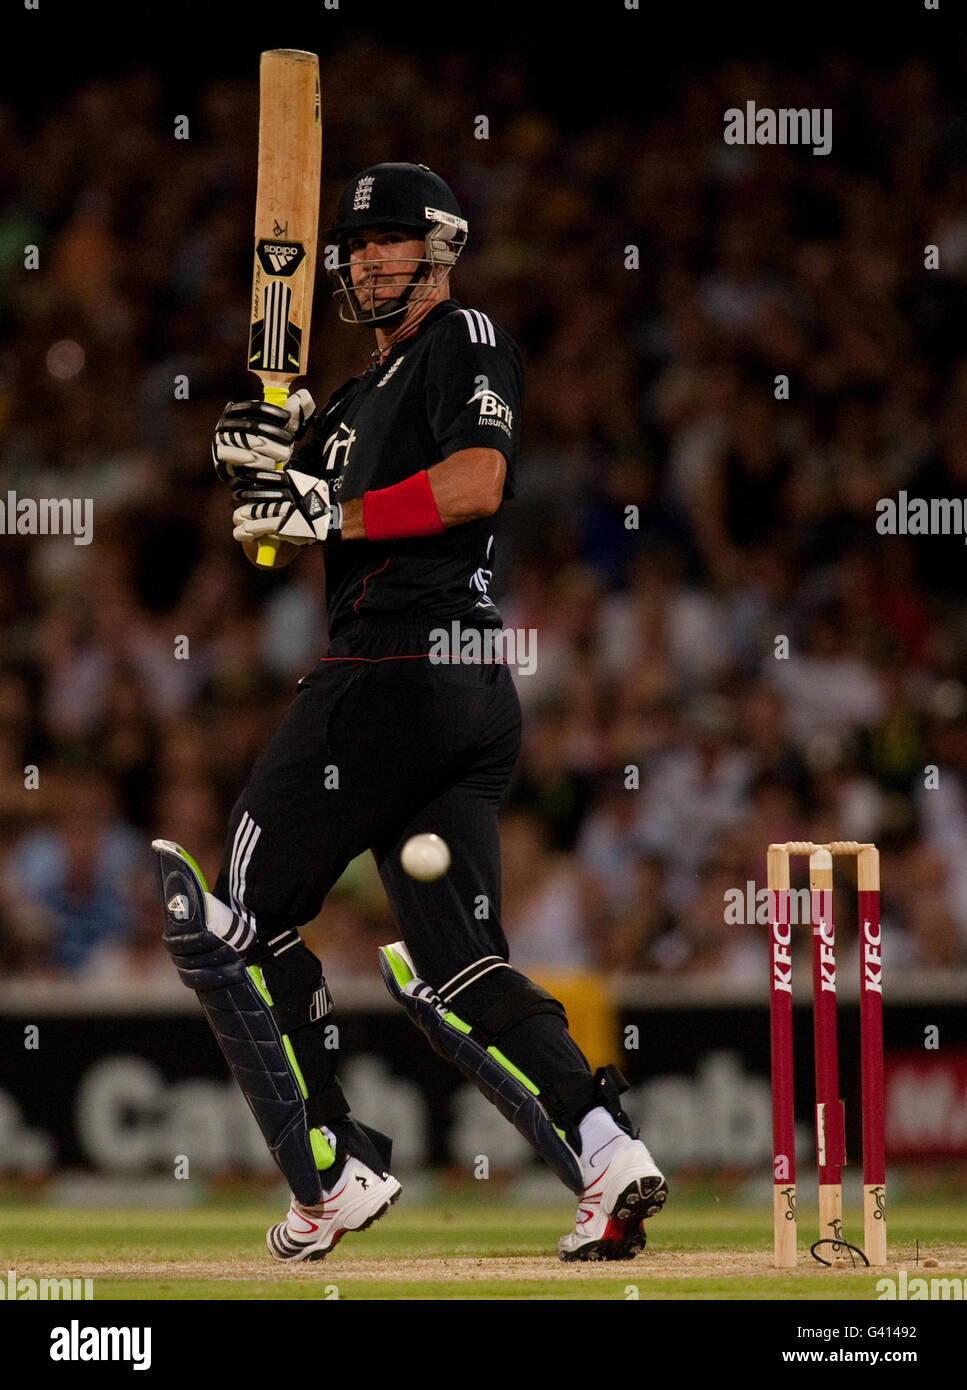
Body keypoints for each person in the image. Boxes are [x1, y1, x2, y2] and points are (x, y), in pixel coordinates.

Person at [154, 162, 666, 1262]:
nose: (363, 258)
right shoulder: (345, 399)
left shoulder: (464, 336)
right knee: (455, 964)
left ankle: (328, 1167)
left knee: (229, 921)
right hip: (457, 692)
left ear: (439, 246)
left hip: (398, 663)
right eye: (353, 244)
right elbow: (273, 533)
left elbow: (477, 482)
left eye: (388, 239)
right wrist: (261, 457)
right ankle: (604, 1145)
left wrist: (317, 500)